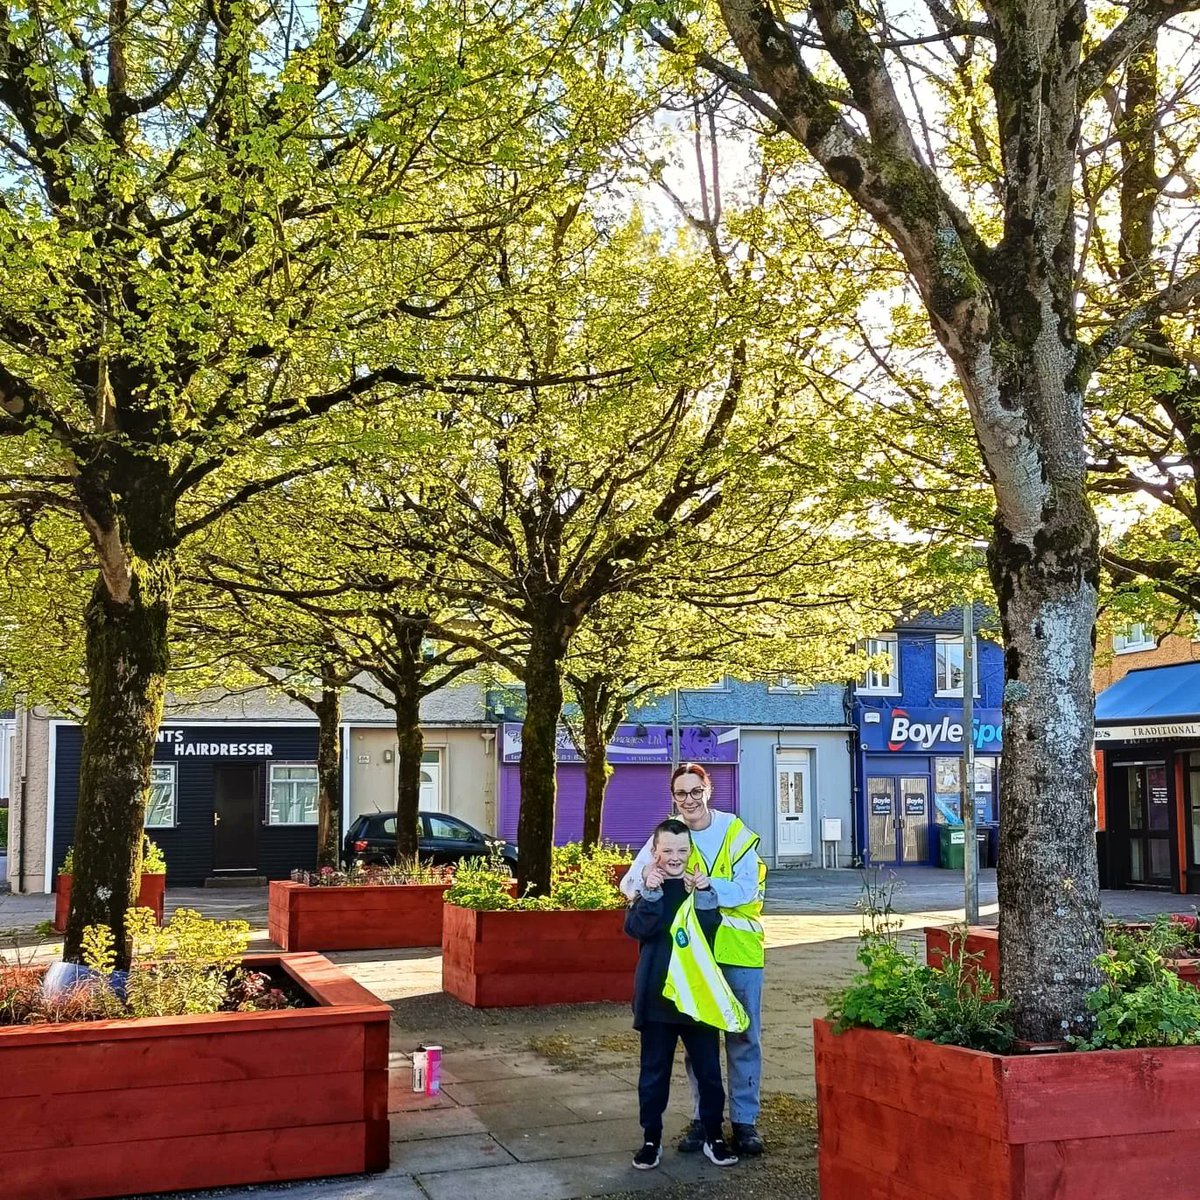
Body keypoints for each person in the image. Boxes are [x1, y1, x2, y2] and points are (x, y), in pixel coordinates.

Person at [620, 763, 767, 1156]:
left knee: (741, 1035)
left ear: (708, 789)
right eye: (681, 793)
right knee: (698, 1044)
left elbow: (747, 890)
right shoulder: (671, 833)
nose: (689, 800)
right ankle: (705, 1122)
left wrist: (705, 885)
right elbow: (630, 883)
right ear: (674, 797)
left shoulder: (734, 832)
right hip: (691, 956)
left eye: (695, 790)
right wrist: (650, 881)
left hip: (736, 950)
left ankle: (745, 1122)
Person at [624, 818, 740, 1171]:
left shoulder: (698, 889)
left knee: (708, 1072)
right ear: (655, 853)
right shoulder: (647, 889)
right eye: (668, 851)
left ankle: (714, 1137)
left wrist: (705, 895)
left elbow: (709, 933)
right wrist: (650, 892)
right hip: (658, 998)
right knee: (654, 1073)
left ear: (690, 853)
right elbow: (637, 929)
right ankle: (650, 1140)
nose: (675, 857)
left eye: (682, 851)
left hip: (697, 999)